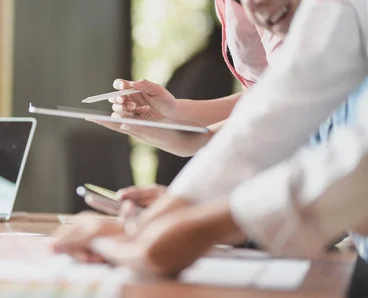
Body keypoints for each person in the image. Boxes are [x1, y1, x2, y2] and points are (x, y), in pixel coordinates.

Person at [54, 0, 368, 275]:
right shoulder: (328, 18)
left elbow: (352, 169)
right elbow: (266, 121)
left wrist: (193, 227)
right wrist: (158, 223)